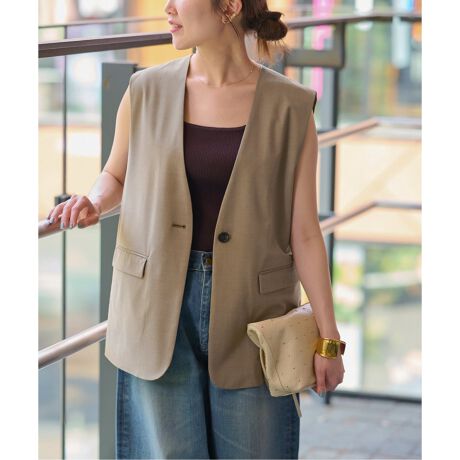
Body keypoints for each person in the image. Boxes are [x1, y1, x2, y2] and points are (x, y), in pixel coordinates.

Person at [46, 1, 345, 458]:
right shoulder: (145, 90)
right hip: (154, 306)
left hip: (255, 316)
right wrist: (94, 201)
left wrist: (328, 339)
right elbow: (116, 174)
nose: (168, 8)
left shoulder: (291, 106)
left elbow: (304, 231)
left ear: (229, 7)